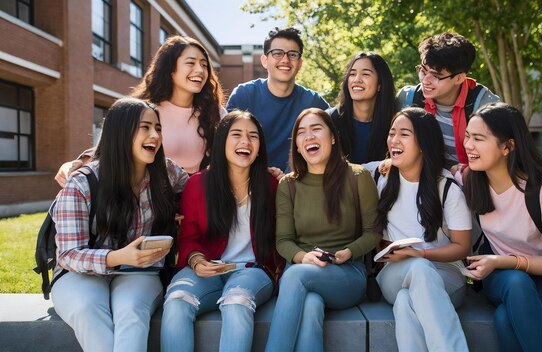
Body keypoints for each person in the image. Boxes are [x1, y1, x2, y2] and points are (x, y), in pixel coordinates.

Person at [51, 97, 188, 352]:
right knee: (88, 310)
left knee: (132, 311)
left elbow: (205, 191)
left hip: (140, 273)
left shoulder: (166, 173)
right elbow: (68, 255)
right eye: (144, 127)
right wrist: (116, 257)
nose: (154, 135)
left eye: (157, 128)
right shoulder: (81, 183)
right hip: (79, 274)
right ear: (120, 131)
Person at [460, 103, 542, 351]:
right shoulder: (471, 179)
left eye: (479, 138)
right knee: (516, 283)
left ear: (508, 146)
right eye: (468, 136)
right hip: (503, 279)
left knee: (505, 320)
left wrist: (501, 260)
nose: (468, 145)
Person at [160, 110, 280, 352]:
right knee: (177, 300)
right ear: (222, 141)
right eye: (236, 134)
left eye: (253, 136)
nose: (245, 141)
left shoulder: (271, 185)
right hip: (206, 269)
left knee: (237, 302)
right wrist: (196, 260)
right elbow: (188, 236)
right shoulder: (198, 184)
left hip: (253, 270)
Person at [265, 108, 381, 351]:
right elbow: (283, 240)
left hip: (346, 273)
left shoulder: (358, 176)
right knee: (310, 305)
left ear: (333, 137)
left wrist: (348, 252)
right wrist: (302, 257)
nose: (309, 137)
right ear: (296, 145)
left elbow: (373, 232)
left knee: (296, 275)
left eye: (316, 129)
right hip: (303, 269)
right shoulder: (289, 184)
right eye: (302, 133)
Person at [55, 35, 226, 186]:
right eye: (190, 63)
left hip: (196, 201)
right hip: (151, 204)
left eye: (204, 65)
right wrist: (77, 163)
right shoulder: (143, 110)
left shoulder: (216, 113)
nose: (200, 70)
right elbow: (112, 146)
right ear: (170, 69)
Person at [373, 107, 471, 351]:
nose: (394, 140)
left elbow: (462, 247)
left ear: (424, 143)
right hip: (394, 274)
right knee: (417, 269)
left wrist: (421, 254)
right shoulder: (381, 178)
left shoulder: (446, 187)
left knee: (406, 303)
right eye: (391, 133)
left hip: (446, 277)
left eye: (404, 134)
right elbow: (337, 167)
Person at [226, 27, 329, 171]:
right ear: (264, 60)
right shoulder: (244, 95)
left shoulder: (313, 102)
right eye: (277, 53)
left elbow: (332, 142)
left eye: (292, 54)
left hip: (297, 184)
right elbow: (226, 145)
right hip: (250, 180)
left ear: (300, 63)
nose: (285, 60)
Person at [396, 32, 500, 169]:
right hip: (422, 178)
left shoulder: (485, 105)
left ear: (459, 78)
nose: (425, 80)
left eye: (436, 76)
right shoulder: (407, 99)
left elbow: (498, 158)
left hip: (471, 180)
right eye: (423, 70)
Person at [328, 52, 396, 164]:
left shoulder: (394, 124)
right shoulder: (330, 120)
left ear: (380, 84)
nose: (357, 80)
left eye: (365, 74)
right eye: (352, 74)